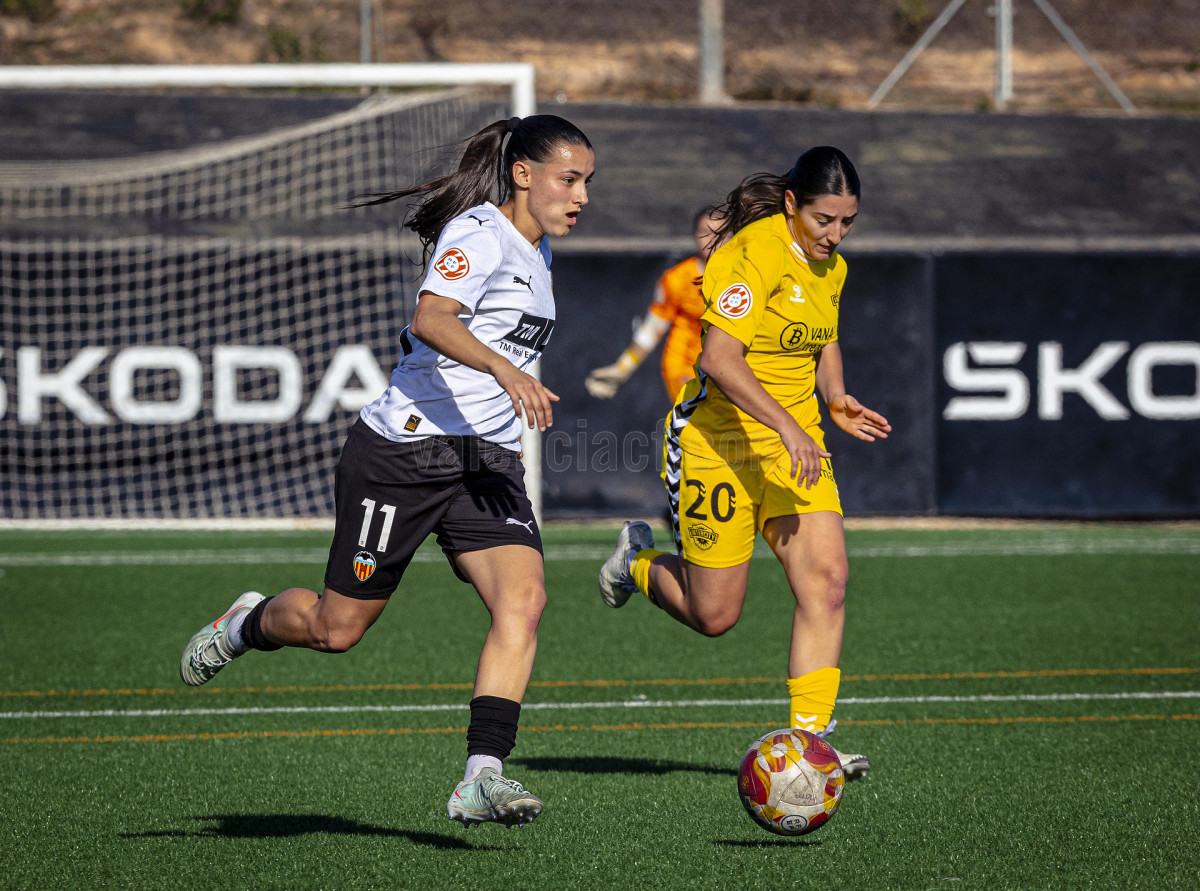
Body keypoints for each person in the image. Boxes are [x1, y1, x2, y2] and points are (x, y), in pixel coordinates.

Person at [180, 114, 595, 828]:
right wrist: (504, 370)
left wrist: (504, 387)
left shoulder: (539, 249)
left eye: (587, 180)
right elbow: (432, 318)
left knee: (523, 602)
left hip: (485, 462)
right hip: (405, 453)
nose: (582, 194)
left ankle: (481, 776)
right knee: (335, 629)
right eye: (570, 178)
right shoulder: (479, 232)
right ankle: (250, 622)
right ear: (523, 174)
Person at [597, 146, 890, 779]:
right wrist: (788, 425)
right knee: (714, 616)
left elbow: (824, 337)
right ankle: (637, 563)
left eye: (847, 222)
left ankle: (810, 746)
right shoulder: (750, 255)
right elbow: (719, 360)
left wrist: (835, 398)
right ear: (791, 204)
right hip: (719, 445)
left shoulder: (831, 267)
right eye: (823, 220)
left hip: (794, 446)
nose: (836, 235)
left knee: (827, 581)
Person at [585, 207, 723, 403]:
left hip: (730, 365)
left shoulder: (746, 274)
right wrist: (623, 367)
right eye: (705, 232)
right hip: (687, 367)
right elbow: (653, 328)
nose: (712, 239)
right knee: (700, 418)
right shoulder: (677, 279)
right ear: (694, 236)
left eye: (720, 232)